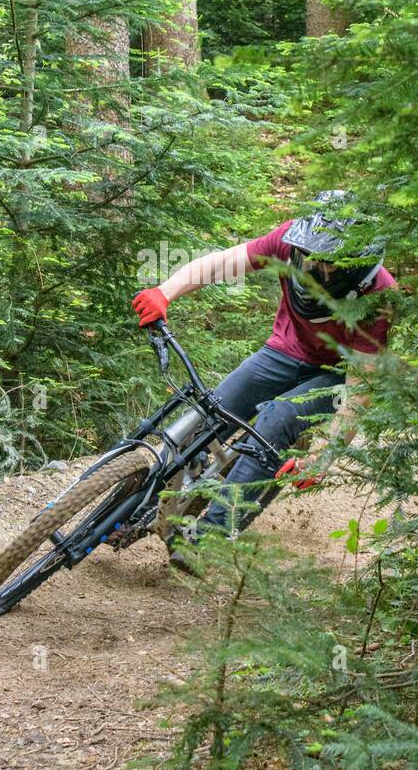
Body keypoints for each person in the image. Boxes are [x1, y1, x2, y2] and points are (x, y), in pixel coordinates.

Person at [131, 191, 396, 561]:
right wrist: (165, 292)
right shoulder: (291, 242)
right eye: (309, 258)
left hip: (336, 374)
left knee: (277, 418)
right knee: (213, 410)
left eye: (328, 265)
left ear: (355, 267)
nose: (313, 269)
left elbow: (362, 386)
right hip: (283, 351)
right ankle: (134, 501)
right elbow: (224, 263)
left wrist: (325, 457)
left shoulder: (379, 296)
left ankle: (208, 539)